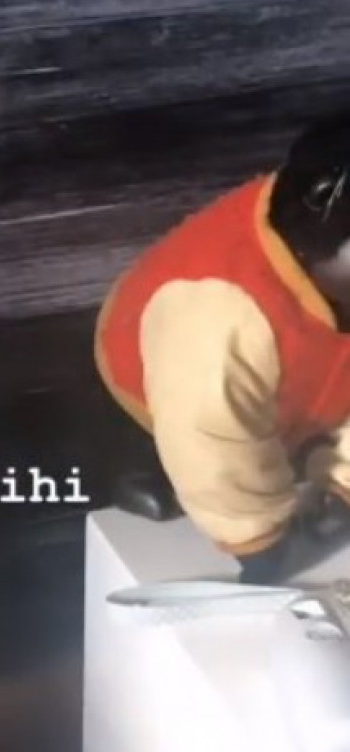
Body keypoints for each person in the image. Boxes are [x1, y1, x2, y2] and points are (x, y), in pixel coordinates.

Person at [96, 113, 350, 582]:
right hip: (185, 382)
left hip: (320, 369)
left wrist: (343, 488)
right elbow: (209, 433)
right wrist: (262, 540)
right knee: (209, 436)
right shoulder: (218, 313)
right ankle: (166, 473)